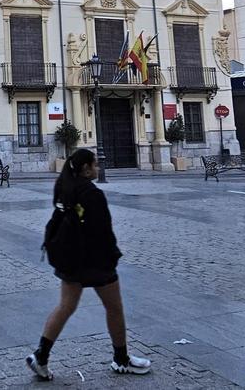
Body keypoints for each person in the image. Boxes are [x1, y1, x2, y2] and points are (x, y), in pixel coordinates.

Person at [25, 148, 151, 380]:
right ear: (86, 169)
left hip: (70, 259)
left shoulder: (65, 188)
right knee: (114, 308)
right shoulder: (92, 194)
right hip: (96, 262)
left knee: (65, 306)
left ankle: (40, 356)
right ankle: (121, 359)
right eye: (95, 165)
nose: (98, 168)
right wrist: (112, 256)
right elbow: (102, 231)